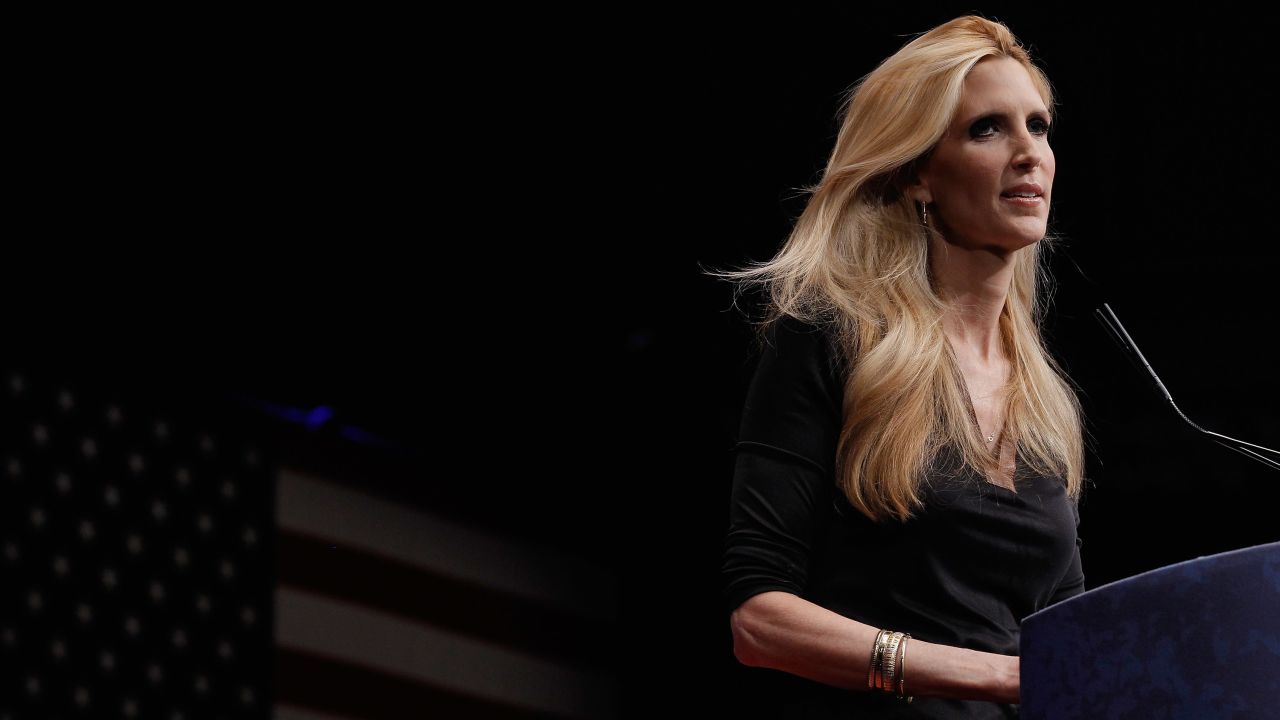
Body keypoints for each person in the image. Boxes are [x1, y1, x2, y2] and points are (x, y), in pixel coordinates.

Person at [714, 15, 1088, 719]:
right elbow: (760, 624)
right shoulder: (832, 339)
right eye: (988, 129)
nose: (1029, 153)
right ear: (918, 172)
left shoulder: (1045, 401)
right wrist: (995, 675)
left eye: (1038, 126)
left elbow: (1066, 643)